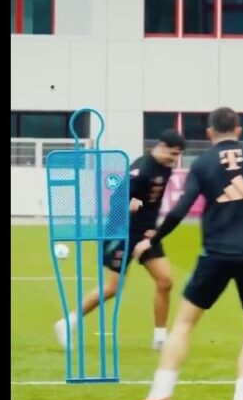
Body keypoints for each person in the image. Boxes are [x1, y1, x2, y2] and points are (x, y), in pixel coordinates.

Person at [127, 107, 243, 400]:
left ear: (209, 133)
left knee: (183, 324)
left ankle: (159, 395)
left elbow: (179, 211)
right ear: (239, 129)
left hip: (216, 254)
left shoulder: (203, 163)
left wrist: (152, 239)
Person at [54, 129, 186, 351]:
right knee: (113, 288)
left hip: (145, 234)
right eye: (172, 154)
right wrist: (128, 210)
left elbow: (152, 204)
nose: (174, 159)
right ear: (161, 146)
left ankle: (160, 338)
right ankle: (68, 322)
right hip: (121, 233)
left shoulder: (165, 169)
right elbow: (117, 202)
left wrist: (151, 230)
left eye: (177, 155)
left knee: (165, 281)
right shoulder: (141, 170)